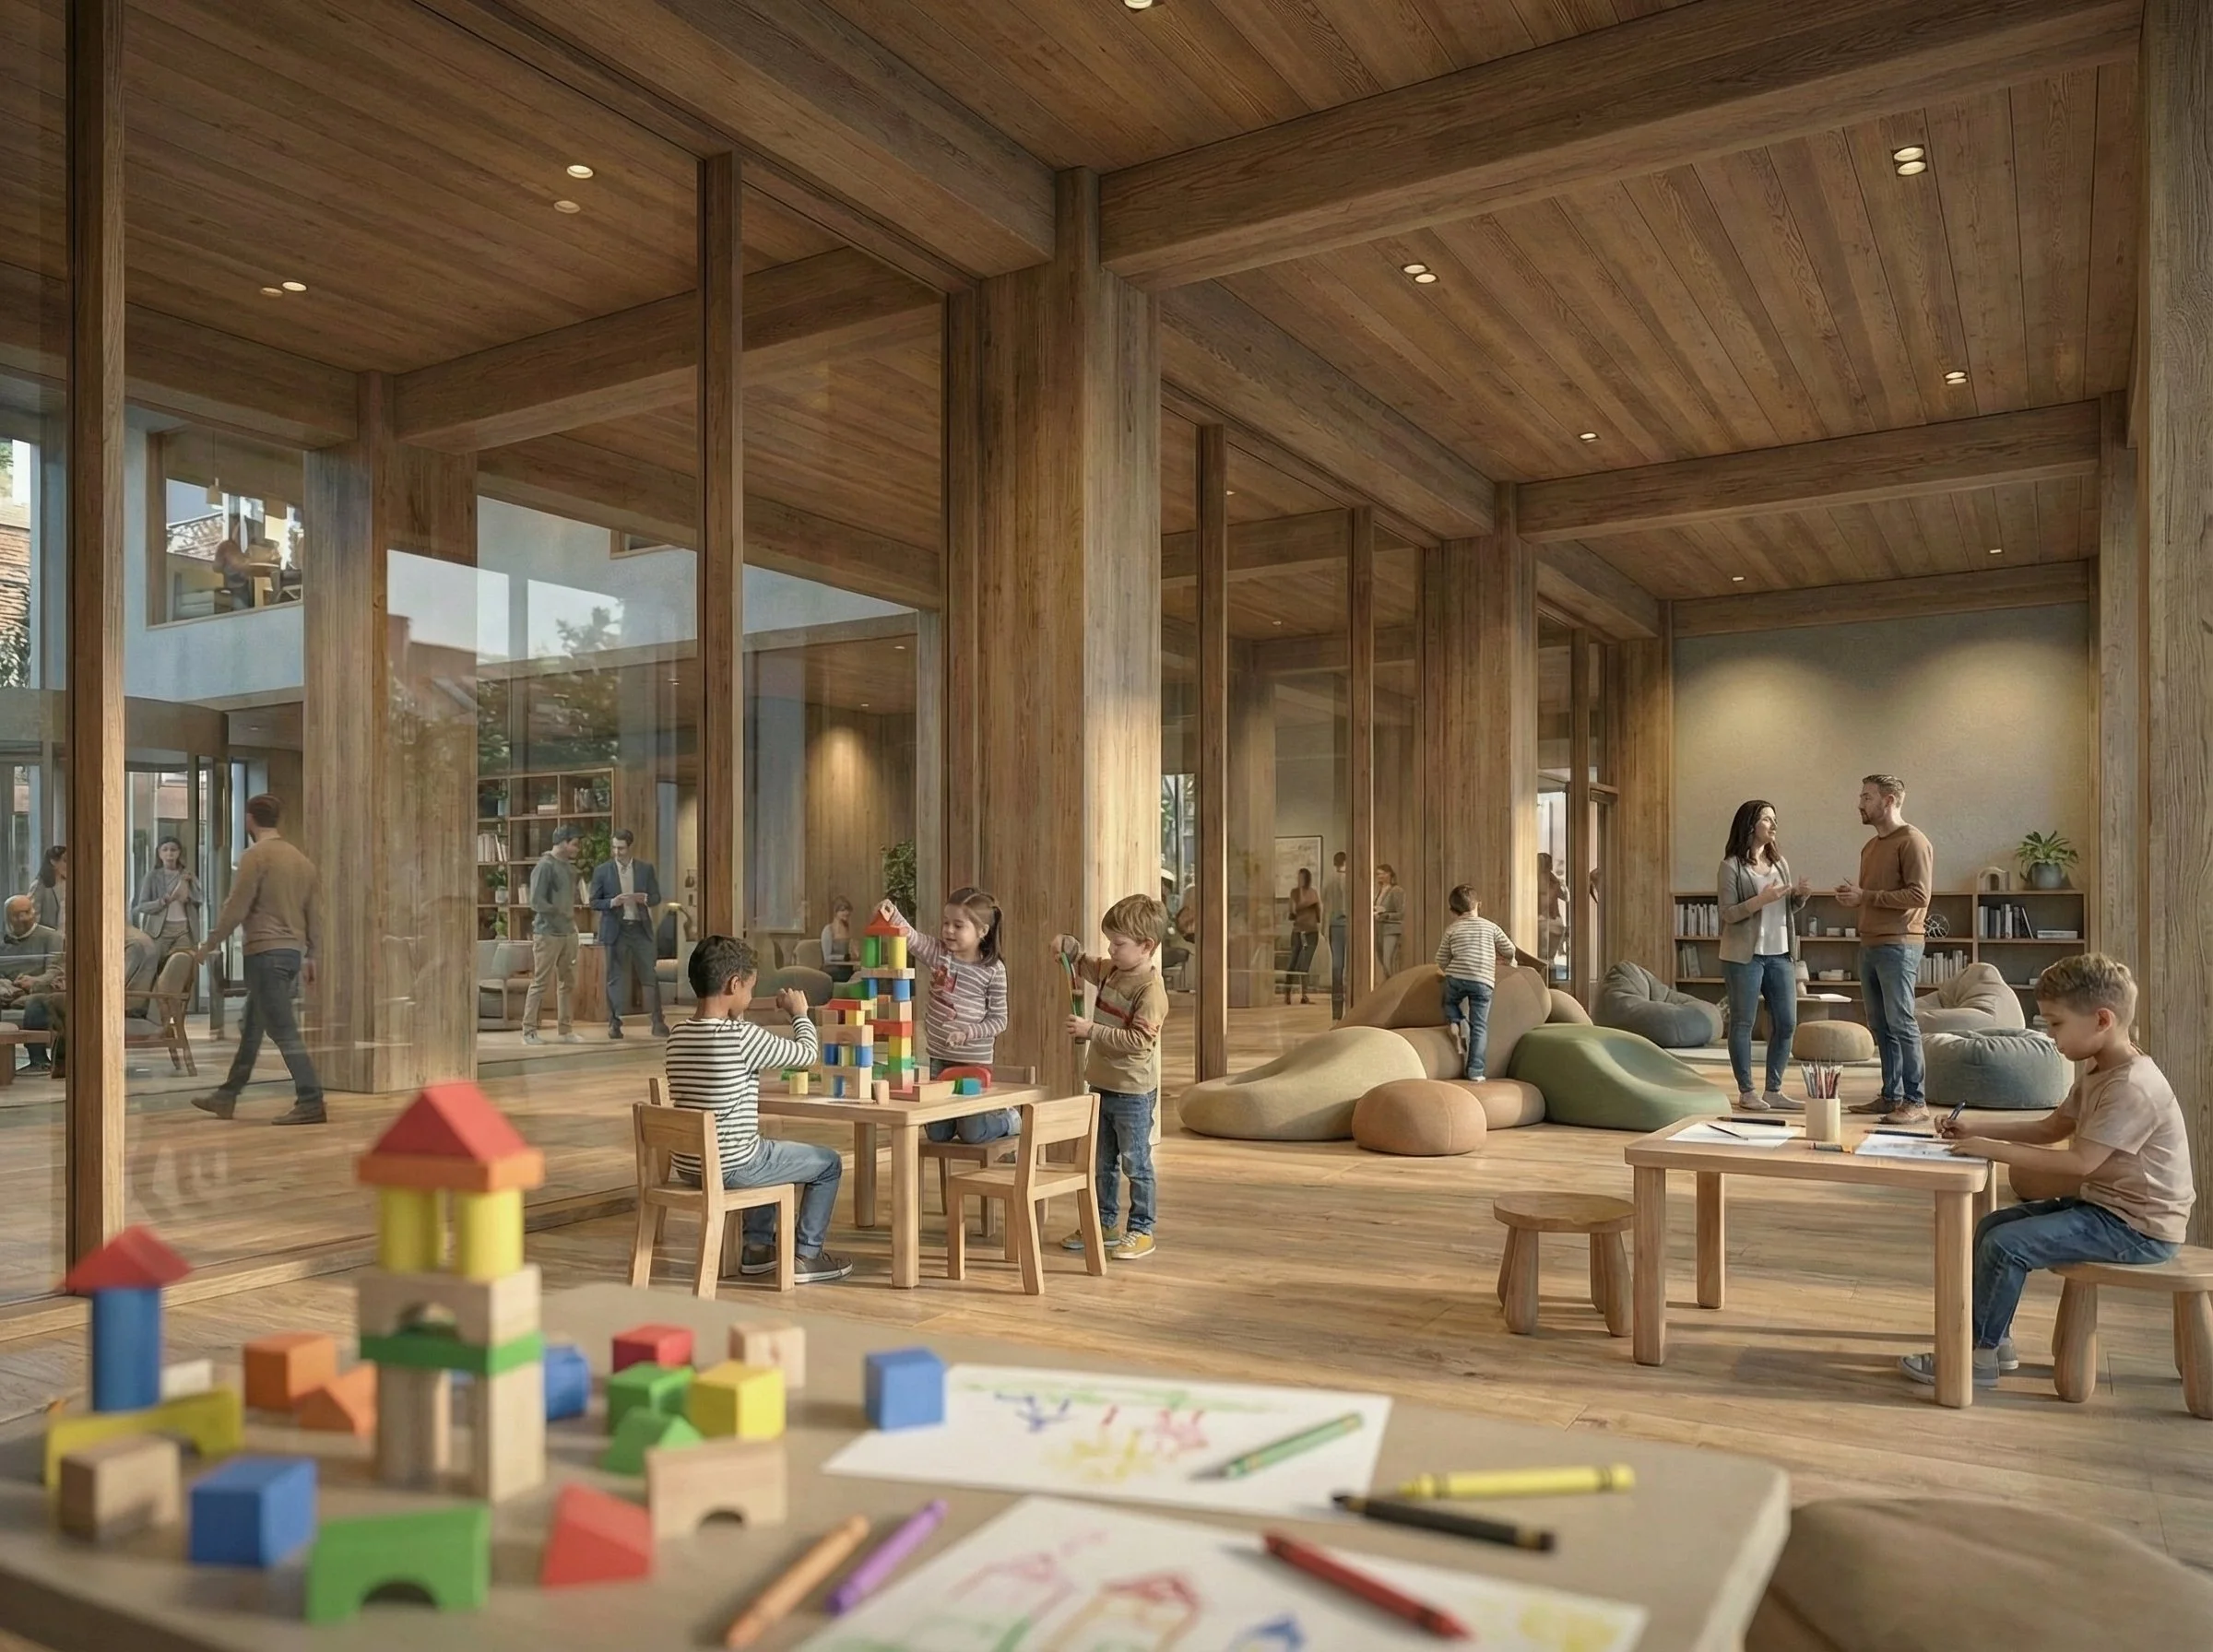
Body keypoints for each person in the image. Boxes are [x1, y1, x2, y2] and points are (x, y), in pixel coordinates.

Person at [1901, 954, 2192, 1389]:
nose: (2050, 1036)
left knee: (2005, 1244)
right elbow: (2051, 1127)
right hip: (2109, 1209)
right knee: (1992, 1226)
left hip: (2139, 1228)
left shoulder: (2131, 1086)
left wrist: (1994, 1150)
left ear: (2101, 1020)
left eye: (2056, 1024)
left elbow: (2079, 1164)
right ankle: (1995, 1342)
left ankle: (1974, 1358)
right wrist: (1977, 1127)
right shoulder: (2100, 1070)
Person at [664, 934, 852, 1284]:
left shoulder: (677, 1035)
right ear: (734, 984)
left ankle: (758, 1249)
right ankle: (806, 1256)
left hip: (691, 1166)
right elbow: (806, 1055)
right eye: (749, 989)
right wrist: (800, 1014)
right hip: (732, 1165)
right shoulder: (741, 1037)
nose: (750, 998)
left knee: (764, 1148)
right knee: (828, 1163)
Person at [188, 794, 325, 1125]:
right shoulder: (301, 860)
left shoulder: (256, 856)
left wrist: (208, 945)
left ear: (249, 819)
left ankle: (311, 1100)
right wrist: (313, 954)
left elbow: (237, 906)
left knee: (283, 1029)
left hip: (264, 951)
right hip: (290, 952)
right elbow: (315, 913)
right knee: (252, 1027)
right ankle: (227, 1096)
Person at [1056, 894, 1171, 1262]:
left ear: (1146, 946)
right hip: (1101, 1085)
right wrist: (1068, 947)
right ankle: (1104, 1223)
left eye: (1119, 944)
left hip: (1132, 1093)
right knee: (1101, 1161)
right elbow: (1086, 964)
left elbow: (1139, 1042)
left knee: (1136, 1161)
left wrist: (1091, 1031)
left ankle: (1141, 1229)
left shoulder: (1150, 991)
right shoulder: (1113, 970)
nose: (1111, 949)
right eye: (1110, 941)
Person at [1836, 773, 1935, 1125]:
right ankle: (1890, 1097)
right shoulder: (1870, 847)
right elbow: (1875, 897)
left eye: (1867, 796)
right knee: (1880, 1023)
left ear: (1889, 800)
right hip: (1870, 943)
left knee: (1901, 1021)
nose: (1860, 803)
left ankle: (1915, 1100)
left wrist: (1868, 897)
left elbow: (1919, 895)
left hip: (1900, 944)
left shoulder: (1913, 841)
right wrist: (1856, 900)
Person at [879, 887, 1011, 1145]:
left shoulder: (993, 970)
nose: (948, 930)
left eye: (958, 925)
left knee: (972, 1133)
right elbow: (912, 938)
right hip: (940, 1058)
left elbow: (999, 1020)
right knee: (938, 1134)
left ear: (982, 931)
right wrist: (891, 914)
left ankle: (1009, 1120)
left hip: (974, 1062)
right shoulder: (940, 955)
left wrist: (968, 1033)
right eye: (946, 923)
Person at [1718, 800, 1813, 1112]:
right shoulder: (1731, 866)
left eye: (1775, 820)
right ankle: (1747, 1092)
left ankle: (1774, 1090)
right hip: (1745, 957)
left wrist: (1798, 897)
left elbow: (1785, 909)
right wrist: (1761, 899)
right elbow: (1728, 914)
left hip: (1780, 954)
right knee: (1743, 1023)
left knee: (1786, 1023)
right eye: (1767, 820)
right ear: (1750, 825)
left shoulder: (1780, 863)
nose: (1774, 826)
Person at [588, 828, 666, 1040]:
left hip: (640, 929)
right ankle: (614, 1024)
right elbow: (593, 902)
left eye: (620, 848)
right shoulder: (602, 871)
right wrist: (613, 902)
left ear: (630, 847)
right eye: (614, 847)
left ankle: (658, 1022)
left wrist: (646, 898)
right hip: (616, 929)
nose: (616, 852)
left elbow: (657, 897)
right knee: (614, 978)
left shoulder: (645, 869)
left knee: (650, 976)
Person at [1435, 885, 1517, 1081]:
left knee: (1449, 1002)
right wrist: (1509, 960)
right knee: (1480, 1027)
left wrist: (1449, 971)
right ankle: (1476, 1072)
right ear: (1478, 905)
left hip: (1457, 978)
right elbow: (1509, 948)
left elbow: (1441, 958)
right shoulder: (1490, 927)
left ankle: (1456, 1021)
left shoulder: (1452, 929)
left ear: (1452, 911)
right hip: (1483, 981)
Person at [521, 824, 583, 1046]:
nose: (577, 848)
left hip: (568, 932)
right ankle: (528, 1031)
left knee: (568, 982)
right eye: (574, 844)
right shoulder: (544, 866)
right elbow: (536, 902)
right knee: (540, 982)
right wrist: (559, 912)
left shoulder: (568, 868)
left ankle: (565, 1030)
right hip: (547, 934)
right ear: (563, 843)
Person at [0, 895, 64, 1072]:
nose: (24, 918)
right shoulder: (3, 941)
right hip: (8, 992)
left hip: (40, 991)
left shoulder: (52, 937)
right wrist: (5, 984)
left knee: (36, 1002)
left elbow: (56, 969)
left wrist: (35, 981)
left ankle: (39, 1060)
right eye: (17, 915)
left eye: (27, 912)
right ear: (7, 917)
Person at [133, 836, 203, 975]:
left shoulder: (187, 875)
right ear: (159, 853)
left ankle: (180, 998)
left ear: (179, 853)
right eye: (165, 850)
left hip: (184, 930)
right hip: (159, 932)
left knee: (182, 970)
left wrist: (189, 890)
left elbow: (199, 899)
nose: (169, 854)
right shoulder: (152, 876)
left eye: (173, 850)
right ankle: (156, 997)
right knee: (155, 970)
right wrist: (161, 902)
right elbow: (142, 906)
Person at [1284, 867, 1320, 1005]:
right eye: (1298, 877)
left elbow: (1318, 913)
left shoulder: (1312, 892)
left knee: (1305, 965)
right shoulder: (1294, 893)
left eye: (1302, 878)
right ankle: (1287, 994)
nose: (1300, 880)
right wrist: (1304, 905)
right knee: (1293, 962)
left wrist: (1307, 906)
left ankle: (1304, 995)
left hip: (1311, 930)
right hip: (1298, 931)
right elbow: (1292, 912)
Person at [1321, 850, 1350, 1017]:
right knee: (1352, 967)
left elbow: (1325, 905)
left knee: (1337, 967)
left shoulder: (1329, 881)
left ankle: (1336, 1010)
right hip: (1348, 925)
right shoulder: (1351, 880)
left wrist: (1324, 929)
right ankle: (1352, 1006)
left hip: (1333, 925)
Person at [1536, 852, 1568, 972]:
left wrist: (1563, 885)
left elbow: (1566, 897)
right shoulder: (1550, 880)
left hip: (1550, 919)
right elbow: (1566, 897)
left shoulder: (1553, 881)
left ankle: (1549, 969)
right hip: (1546, 919)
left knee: (1546, 954)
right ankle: (1549, 968)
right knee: (1545, 954)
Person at [1373, 863, 1405, 976]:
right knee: (1382, 960)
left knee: (1388, 961)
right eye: (1378, 874)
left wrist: (1385, 914)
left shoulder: (1396, 890)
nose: (1379, 876)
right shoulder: (1379, 891)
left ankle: (1394, 987)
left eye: (1382, 874)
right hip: (1379, 929)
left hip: (1391, 929)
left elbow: (1400, 913)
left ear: (1389, 874)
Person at [30, 844, 65, 935]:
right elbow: (33, 918)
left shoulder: (70, 885)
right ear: (53, 862)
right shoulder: (39, 886)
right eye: (65, 861)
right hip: (49, 940)